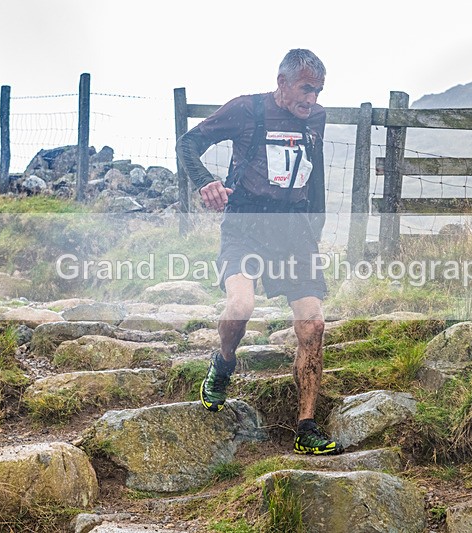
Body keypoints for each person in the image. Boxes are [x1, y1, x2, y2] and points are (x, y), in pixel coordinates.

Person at [176, 49, 341, 455]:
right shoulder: (246, 110)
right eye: (306, 89)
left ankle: (306, 426)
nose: (312, 99)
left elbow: (313, 173)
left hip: (295, 231)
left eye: (318, 91)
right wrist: (205, 182)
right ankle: (224, 361)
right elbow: (188, 143)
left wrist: (314, 225)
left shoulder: (316, 119)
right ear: (282, 82)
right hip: (246, 225)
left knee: (314, 326)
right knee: (241, 305)